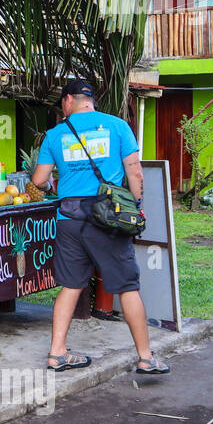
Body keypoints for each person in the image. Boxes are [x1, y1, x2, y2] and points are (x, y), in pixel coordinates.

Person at [31, 78, 170, 375]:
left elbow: (38, 181)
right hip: (107, 218)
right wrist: (137, 207)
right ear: (89, 100)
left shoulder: (56, 134)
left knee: (70, 286)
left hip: (69, 220)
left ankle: (57, 353)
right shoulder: (117, 126)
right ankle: (146, 358)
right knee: (128, 287)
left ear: (68, 101)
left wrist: (56, 183)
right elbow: (135, 172)